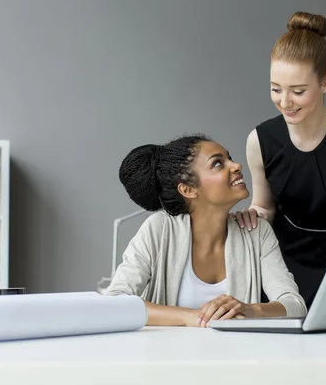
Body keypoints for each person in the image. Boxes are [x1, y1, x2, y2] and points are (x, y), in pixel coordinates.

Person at [233, 11, 326, 308]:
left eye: (298, 91)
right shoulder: (259, 140)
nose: (285, 102)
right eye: (276, 89)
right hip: (279, 271)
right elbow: (263, 207)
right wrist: (249, 217)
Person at [103, 134, 307, 327]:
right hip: (167, 359)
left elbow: (295, 305)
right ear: (188, 190)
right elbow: (115, 302)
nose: (236, 166)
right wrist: (189, 317)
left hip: (237, 357)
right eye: (218, 163)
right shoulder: (160, 229)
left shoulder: (256, 231)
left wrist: (251, 310)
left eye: (229, 158)